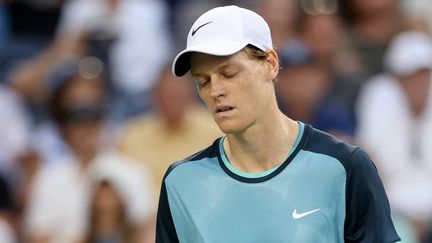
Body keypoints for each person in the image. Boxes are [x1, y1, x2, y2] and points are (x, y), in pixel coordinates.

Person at [156, 5, 400, 243]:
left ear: (271, 64)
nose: (215, 91)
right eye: (203, 81)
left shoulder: (345, 166)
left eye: (229, 73)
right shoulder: (180, 182)